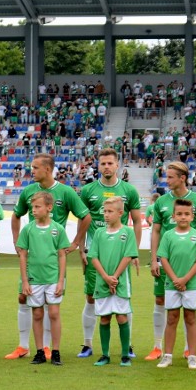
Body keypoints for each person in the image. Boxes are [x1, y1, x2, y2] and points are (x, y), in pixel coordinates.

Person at [7, 154, 90, 360]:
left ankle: (47, 348)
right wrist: (17, 242)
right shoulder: (28, 191)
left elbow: (85, 216)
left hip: (53, 258)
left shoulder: (65, 192)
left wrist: (76, 242)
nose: (31, 171)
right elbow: (16, 215)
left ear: (48, 169)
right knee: (23, 297)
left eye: (35, 167)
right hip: (32, 259)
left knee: (50, 308)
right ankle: (24, 346)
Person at [78, 149, 141, 359]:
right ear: (98, 165)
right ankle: (87, 344)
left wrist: (135, 253)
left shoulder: (128, 190)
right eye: (103, 163)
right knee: (90, 297)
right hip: (96, 254)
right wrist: (81, 249)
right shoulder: (88, 190)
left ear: (117, 166)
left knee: (123, 298)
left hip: (120, 254)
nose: (106, 167)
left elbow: (137, 221)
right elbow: (82, 220)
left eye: (110, 163)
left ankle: (128, 345)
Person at [147, 161, 196, 361]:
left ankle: (188, 350)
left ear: (182, 178)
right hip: (166, 261)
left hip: (190, 262)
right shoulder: (161, 202)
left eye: (171, 176)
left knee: (189, 309)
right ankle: (158, 347)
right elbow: (156, 230)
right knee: (161, 300)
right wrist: (154, 258)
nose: (167, 180)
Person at [16, 191, 69, 366]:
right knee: (37, 314)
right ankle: (39, 351)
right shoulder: (28, 229)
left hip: (53, 278)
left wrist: (61, 280)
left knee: (54, 313)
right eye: (32, 207)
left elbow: (62, 256)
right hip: (34, 279)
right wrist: (25, 280)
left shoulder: (57, 229)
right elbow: (23, 255)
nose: (34, 210)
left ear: (49, 207)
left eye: (37, 207)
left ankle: (55, 351)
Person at [154, 198, 196, 369]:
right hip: (172, 284)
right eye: (179, 214)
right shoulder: (168, 235)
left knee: (191, 318)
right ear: (173, 216)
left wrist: (185, 279)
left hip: (190, 284)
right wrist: (175, 279)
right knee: (171, 318)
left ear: (192, 216)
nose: (183, 217)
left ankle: (192, 355)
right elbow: (163, 257)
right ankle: (167, 355)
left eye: (186, 214)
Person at [89, 197, 138, 367]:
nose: (106, 215)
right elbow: (93, 256)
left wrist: (115, 277)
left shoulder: (128, 232)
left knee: (122, 317)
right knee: (104, 318)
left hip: (120, 283)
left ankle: (125, 355)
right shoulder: (99, 233)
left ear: (120, 213)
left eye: (110, 211)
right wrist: (105, 277)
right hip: (103, 283)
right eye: (104, 211)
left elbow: (128, 255)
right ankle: (105, 354)